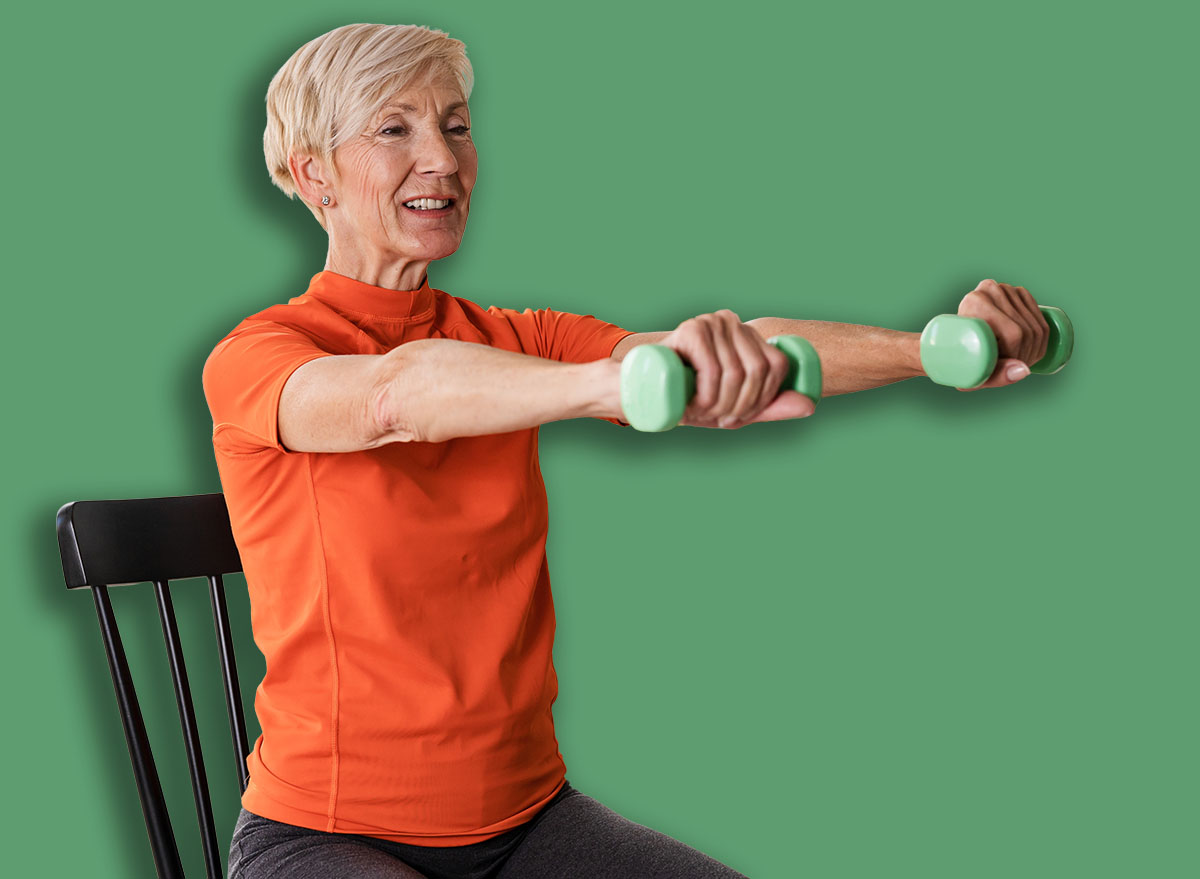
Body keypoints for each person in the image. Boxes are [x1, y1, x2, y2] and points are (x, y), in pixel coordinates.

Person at [203, 23, 1050, 879]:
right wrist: (613, 388)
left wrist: (937, 351)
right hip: (326, 837)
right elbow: (393, 397)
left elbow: (743, 343)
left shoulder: (514, 338)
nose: (445, 160)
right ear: (314, 174)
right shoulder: (263, 355)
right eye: (396, 130)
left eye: (456, 126)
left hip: (530, 821)